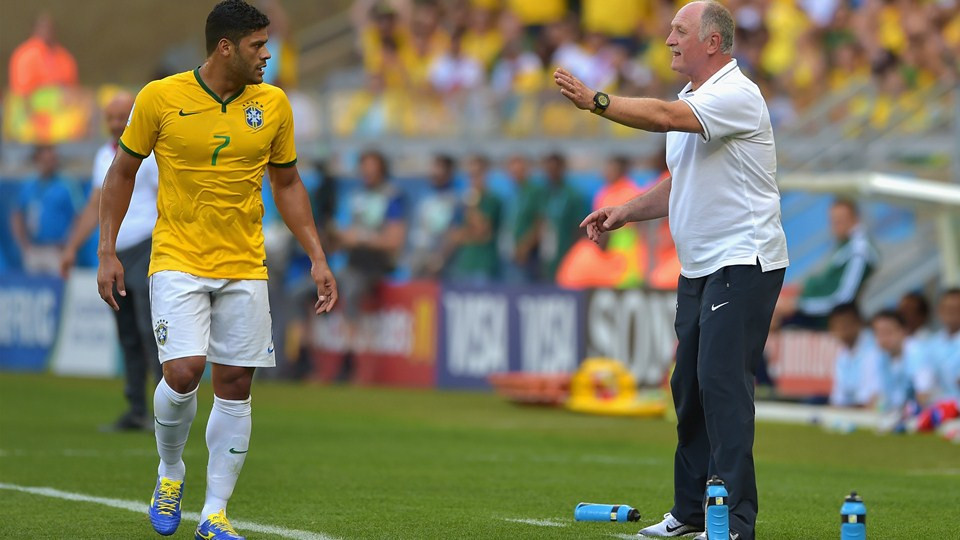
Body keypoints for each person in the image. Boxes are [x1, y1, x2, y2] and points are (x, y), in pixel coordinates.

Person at [96, 2, 338, 539]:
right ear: (225, 46)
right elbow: (122, 172)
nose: (268, 54)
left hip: (245, 264)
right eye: (258, 45)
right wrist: (107, 249)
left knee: (234, 385)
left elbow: (289, 184)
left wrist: (317, 255)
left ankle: (214, 514)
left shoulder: (273, 104)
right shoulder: (160, 98)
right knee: (182, 373)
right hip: (178, 257)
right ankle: (169, 472)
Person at [555, 2, 788, 539]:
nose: (668, 39)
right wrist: (626, 213)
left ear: (712, 41)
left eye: (679, 31)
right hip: (701, 264)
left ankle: (732, 522)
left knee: (721, 385)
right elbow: (681, 180)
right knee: (686, 386)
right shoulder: (694, 98)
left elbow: (660, 117)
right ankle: (690, 513)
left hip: (743, 260)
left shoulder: (735, 93)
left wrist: (598, 101)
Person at [60, 92, 161, 432]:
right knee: (128, 334)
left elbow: (166, 198)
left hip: (147, 245)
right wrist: (72, 246)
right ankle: (136, 408)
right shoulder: (104, 156)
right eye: (112, 117)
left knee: (152, 332)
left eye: (123, 116)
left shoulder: (147, 152)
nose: (117, 123)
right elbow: (95, 205)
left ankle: (168, 414)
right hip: (116, 253)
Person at [779, 198, 879, 330]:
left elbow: (844, 297)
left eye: (841, 221)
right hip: (813, 310)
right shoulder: (845, 245)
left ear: (855, 218)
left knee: (771, 312)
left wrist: (799, 305)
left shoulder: (859, 250)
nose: (835, 225)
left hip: (824, 320)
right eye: (833, 221)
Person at [10, 145, 78, 274]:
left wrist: (70, 245)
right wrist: (24, 245)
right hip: (34, 249)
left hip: (57, 249)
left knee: (60, 288)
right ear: (37, 160)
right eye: (45, 160)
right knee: (35, 290)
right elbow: (17, 215)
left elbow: (79, 216)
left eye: (53, 160)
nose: (49, 164)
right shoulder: (29, 185)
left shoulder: (67, 184)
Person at [447, 154, 502, 284]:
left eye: (477, 174)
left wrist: (473, 206)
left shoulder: (492, 200)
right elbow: (454, 235)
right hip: (463, 264)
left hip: (483, 265)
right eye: (470, 175)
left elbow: (482, 231)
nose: (473, 179)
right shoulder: (463, 201)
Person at [408, 154, 460, 278]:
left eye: (439, 168)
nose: (434, 172)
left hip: (437, 255)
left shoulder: (454, 199)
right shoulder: (422, 195)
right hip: (418, 252)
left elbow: (454, 232)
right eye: (433, 167)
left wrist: (441, 257)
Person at [540, 153, 587, 282]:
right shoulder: (544, 193)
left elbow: (579, 227)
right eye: (548, 170)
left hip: (566, 252)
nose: (551, 174)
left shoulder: (572, 195)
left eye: (554, 169)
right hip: (546, 254)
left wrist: (574, 254)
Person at [827, 303, 882, 408]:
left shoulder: (875, 348)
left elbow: (869, 400)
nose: (840, 330)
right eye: (836, 326)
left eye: (844, 325)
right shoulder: (842, 355)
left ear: (858, 323)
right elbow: (838, 398)